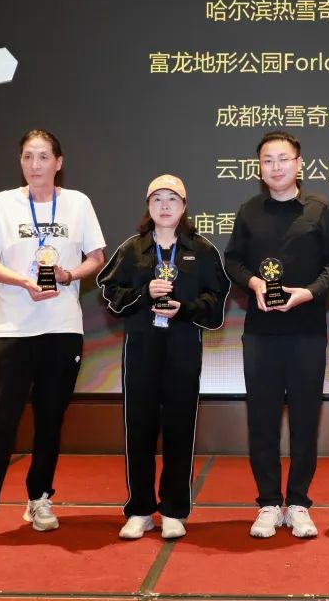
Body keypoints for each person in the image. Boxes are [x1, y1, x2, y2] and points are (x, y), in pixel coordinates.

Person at [0, 129, 106, 556]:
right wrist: (24, 281)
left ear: (59, 162)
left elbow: (96, 257)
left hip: (62, 327)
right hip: (14, 329)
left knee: (50, 421)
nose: (35, 164)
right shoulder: (1, 204)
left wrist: (68, 275)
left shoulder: (78, 203)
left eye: (43, 157)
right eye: (28, 156)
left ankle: (39, 497)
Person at [224, 131, 329, 539]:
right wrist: (254, 283)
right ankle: (267, 502)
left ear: (299, 163)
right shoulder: (249, 211)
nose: (275, 167)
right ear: (259, 168)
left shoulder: (319, 208)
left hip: (307, 332)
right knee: (261, 420)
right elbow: (232, 261)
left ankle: (297, 503)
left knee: (305, 420)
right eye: (267, 160)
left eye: (283, 159)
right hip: (261, 334)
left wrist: (307, 293)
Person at [95, 174, 230, 540]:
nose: (165, 205)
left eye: (172, 199)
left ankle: (173, 509)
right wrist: (144, 292)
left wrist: (184, 308)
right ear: (148, 206)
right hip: (141, 350)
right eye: (157, 199)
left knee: (180, 428)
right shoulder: (132, 249)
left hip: (183, 349)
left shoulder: (202, 250)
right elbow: (110, 291)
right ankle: (140, 509)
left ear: (184, 206)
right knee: (138, 428)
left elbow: (216, 299)